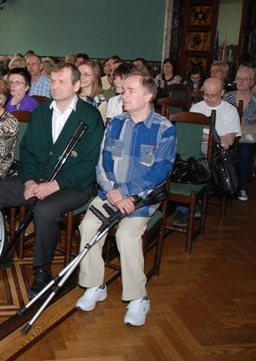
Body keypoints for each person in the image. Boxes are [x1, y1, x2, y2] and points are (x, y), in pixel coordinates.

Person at [0, 62, 104, 298]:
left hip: (72, 185)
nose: (55, 87)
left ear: (77, 85)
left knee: (45, 210)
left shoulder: (90, 116)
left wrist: (54, 185)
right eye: (53, 81)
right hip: (35, 179)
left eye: (61, 82)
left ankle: (42, 269)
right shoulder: (41, 111)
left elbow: (89, 164)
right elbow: (26, 152)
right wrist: (28, 181)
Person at [75, 70, 176, 327]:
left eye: (131, 91)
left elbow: (159, 172)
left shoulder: (164, 129)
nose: (123, 94)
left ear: (148, 96)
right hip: (111, 192)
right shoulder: (116, 123)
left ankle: (138, 298)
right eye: (124, 89)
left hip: (142, 198)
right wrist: (114, 192)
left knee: (126, 235)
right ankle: (95, 285)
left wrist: (128, 192)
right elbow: (102, 163)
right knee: (87, 227)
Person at [173, 77, 241, 227]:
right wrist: (213, 135)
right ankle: (190, 201)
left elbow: (228, 141)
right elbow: (186, 134)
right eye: (206, 95)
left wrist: (200, 134)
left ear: (222, 93)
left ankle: (185, 208)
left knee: (192, 161)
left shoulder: (230, 111)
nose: (209, 99)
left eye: (213, 95)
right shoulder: (196, 108)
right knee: (181, 157)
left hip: (217, 154)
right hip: (193, 148)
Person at [224, 65, 256, 201]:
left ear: (252, 82)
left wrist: (255, 124)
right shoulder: (227, 97)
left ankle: (242, 188)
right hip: (229, 135)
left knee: (245, 152)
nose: (240, 82)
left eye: (245, 79)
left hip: (246, 137)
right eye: (238, 78)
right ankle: (223, 183)